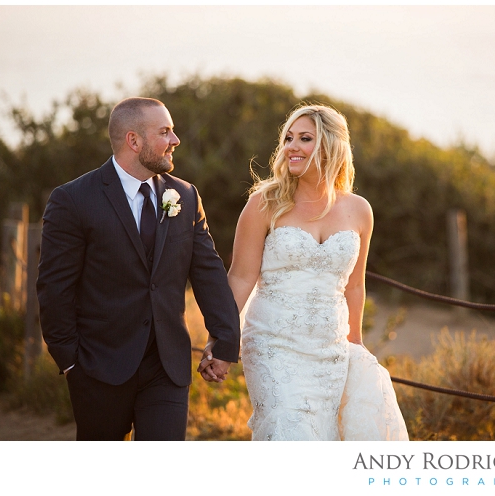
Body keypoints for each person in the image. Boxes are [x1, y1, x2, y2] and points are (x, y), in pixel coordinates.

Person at [37, 97, 241, 440]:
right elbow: (54, 288)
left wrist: (224, 341)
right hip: (98, 368)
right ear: (134, 141)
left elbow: (208, 272)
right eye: (165, 132)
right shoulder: (73, 200)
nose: (175, 140)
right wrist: (70, 361)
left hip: (167, 367)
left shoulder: (186, 197)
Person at [224, 104, 408, 440]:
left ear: (331, 146)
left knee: (324, 436)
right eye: (288, 138)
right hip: (271, 344)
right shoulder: (264, 204)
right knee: (289, 427)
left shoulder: (359, 210)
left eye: (304, 138)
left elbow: (354, 286)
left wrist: (356, 343)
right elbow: (240, 276)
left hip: (330, 350)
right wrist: (221, 337)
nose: (291, 146)